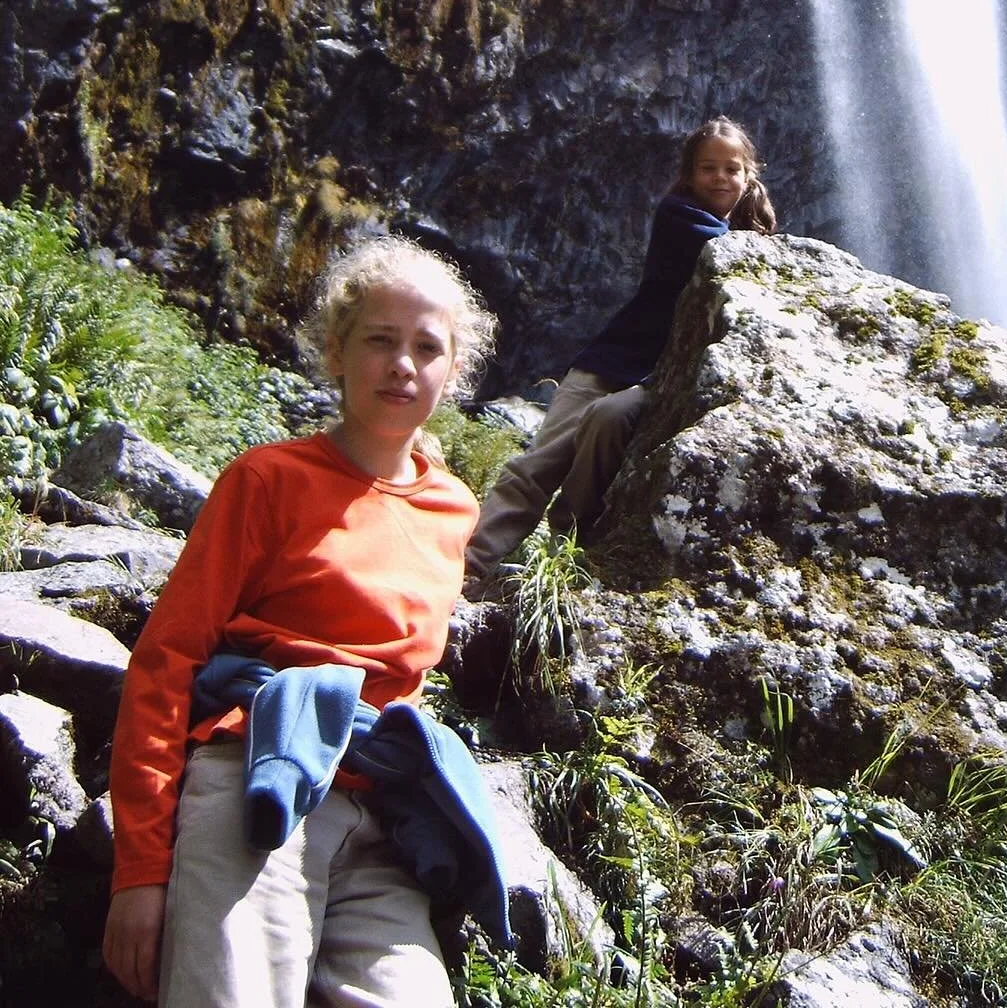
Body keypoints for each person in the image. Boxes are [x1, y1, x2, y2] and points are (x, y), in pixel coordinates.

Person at [103, 235, 501, 1007]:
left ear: (454, 371)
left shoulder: (455, 509)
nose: (402, 365)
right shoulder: (267, 481)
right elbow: (165, 662)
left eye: (427, 347)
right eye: (380, 341)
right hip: (253, 775)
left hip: (378, 814)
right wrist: (142, 872)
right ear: (336, 350)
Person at [465, 117, 777, 586]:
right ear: (689, 175)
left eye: (731, 169)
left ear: (748, 174)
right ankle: (471, 564)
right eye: (707, 167)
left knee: (608, 420)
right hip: (610, 360)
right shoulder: (679, 215)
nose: (719, 178)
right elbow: (724, 251)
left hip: (658, 378)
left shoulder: (753, 236)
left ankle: (564, 551)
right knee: (538, 464)